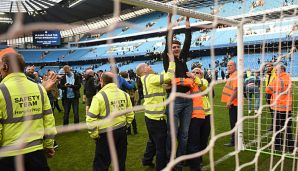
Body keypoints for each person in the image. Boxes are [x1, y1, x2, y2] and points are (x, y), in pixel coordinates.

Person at [0, 48, 57, 170]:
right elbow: (48, 119)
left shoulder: (1, 91)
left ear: (5, 66)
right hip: (36, 153)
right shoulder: (40, 89)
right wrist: (48, 144)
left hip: (9, 155)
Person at [86, 72, 134, 171]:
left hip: (105, 134)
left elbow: (90, 119)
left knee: (101, 164)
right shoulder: (124, 94)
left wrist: (94, 135)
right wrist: (126, 126)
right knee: (120, 162)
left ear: (101, 81)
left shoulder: (99, 96)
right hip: (121, 131)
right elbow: (130, 115)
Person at [162, 13, 192, 169]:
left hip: (188, 102)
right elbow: (168, 39)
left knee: (184, 134)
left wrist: (187, 23)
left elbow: (188, 41)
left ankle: (180, 161)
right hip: (174, 100)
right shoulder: (168, 58)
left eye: (177, 47)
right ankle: (170, 160)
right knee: (172, 133)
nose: (176, 49)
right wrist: (169, 22)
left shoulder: (182, 58)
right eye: (173, 47)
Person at [137, 51, 175, 171]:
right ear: (143, 71)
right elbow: (169, 76)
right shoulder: (150, 78)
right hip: (156, 119)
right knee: (161, 147)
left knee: (153, 141)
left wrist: (167, 86)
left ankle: (146, 160)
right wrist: (172, 62)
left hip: (150, 117)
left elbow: (163, 85)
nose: (151, 66)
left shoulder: (146, 79)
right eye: (148, 66)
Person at [174, 67, 211, 171]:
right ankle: (193, 162)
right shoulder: (190, 82)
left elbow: (203, 85)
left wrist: (193, 77)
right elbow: (179, 82)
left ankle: (195, 159)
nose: (194, 73)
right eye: (193, 71)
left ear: (201, 74)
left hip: (206, 115)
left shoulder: (203, 82)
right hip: (193, 116)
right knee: (192, 141)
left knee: (203, 141)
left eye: (197, 72)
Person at [265, 64, 294, 152]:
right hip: (287, 107)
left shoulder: (278, 79)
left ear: (281, 69)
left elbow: (267, 89)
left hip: (278, 107)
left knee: (277, 127)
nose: (275, 71)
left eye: (276, 70)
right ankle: (290, 147)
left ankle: (277, 146)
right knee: (288, 128)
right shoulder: (288, 78)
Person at [221, 61, 238, 147]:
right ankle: (236, 139)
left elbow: (236, 89)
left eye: (230, 65)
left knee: (234, 122)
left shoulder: (235, 75)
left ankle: (234, 141)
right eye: (227, 65)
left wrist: (229, 101)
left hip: (234, 104)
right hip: (234, 103)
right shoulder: (233, 75)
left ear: (235, 66)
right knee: (234, 122)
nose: (228, 67)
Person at [265, 62, 276, 131]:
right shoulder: (267, 74)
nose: (268, 67)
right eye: (267, 66)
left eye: (269, 66)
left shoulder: (275, 73)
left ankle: (275, 125)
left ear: (272, 66)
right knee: (271, 111)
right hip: (268, 94)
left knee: (274, 111)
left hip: (273, 94)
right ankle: (274, 125)